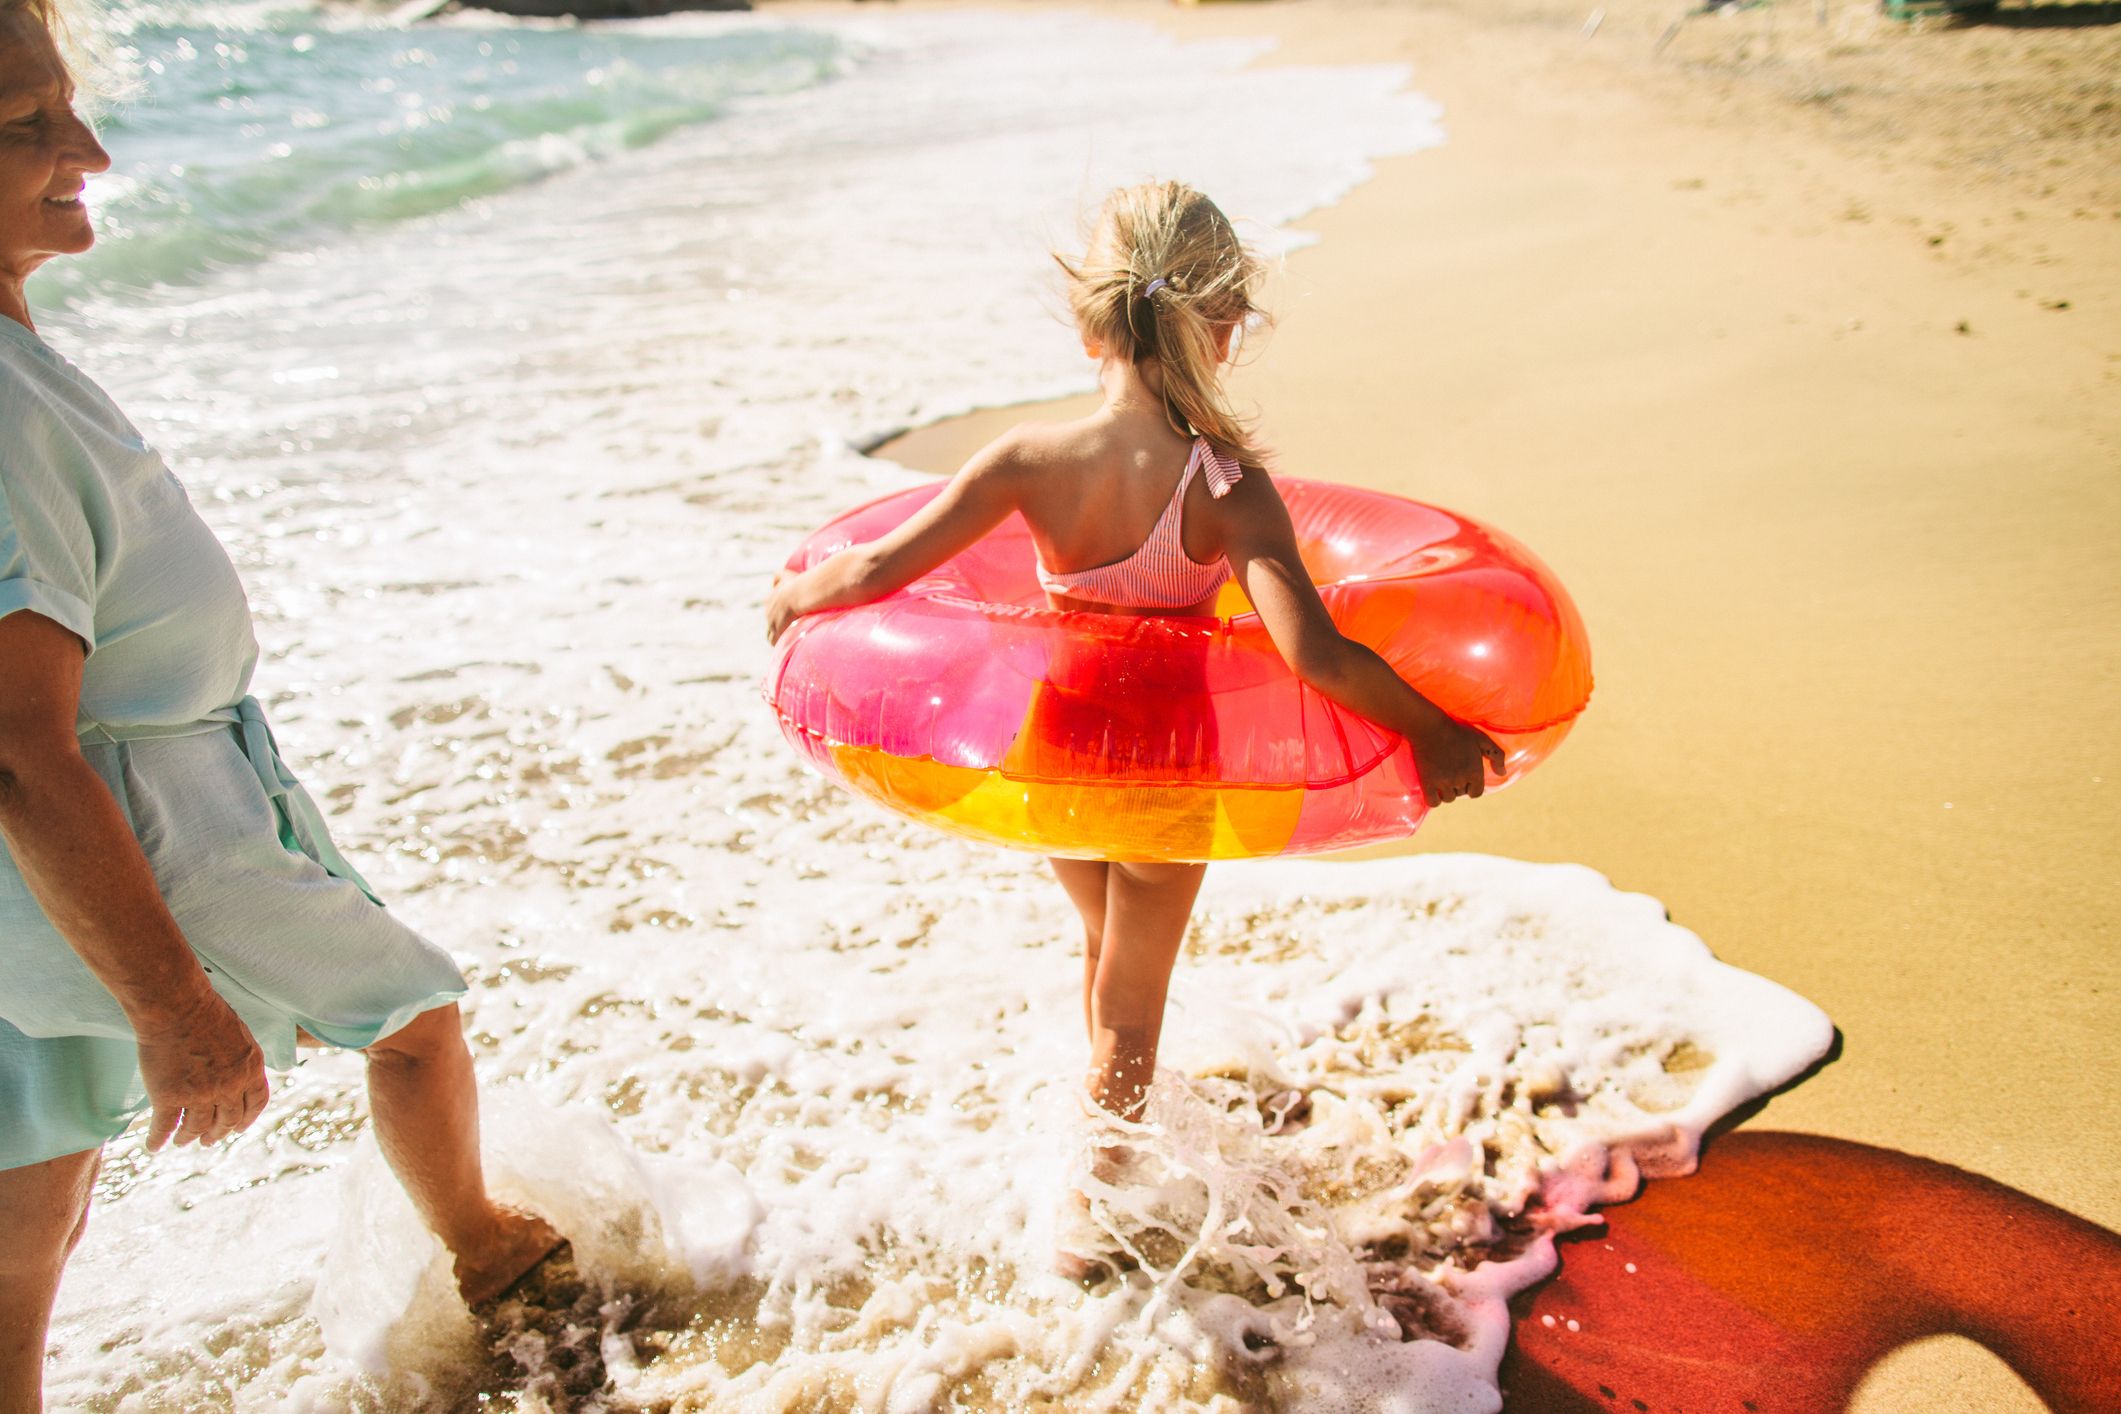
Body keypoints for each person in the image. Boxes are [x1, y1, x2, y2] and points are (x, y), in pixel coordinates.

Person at [766, 180, 1505, 1268]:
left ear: (1087, 320)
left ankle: (1096, 1125)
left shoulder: (1027, 460)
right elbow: (1314, 652)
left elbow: (878, 567)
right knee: (1134, 997)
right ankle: (1088, 1207)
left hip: (1057, 750)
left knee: (1101, 943)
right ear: (1224, 326)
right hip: (1164, 768)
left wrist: (794, 599)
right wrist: (1432, 728)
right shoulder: (1230, 487)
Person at [0, 5, 557, 1406]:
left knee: (28, 1206)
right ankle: (489, 1252)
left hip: (107, 827)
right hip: (141, 827)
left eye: (67, 107)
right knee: (412, 1011)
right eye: (27, 126)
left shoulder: (21, 362)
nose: (92, 148)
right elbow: (18, 747)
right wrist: (172, 998)